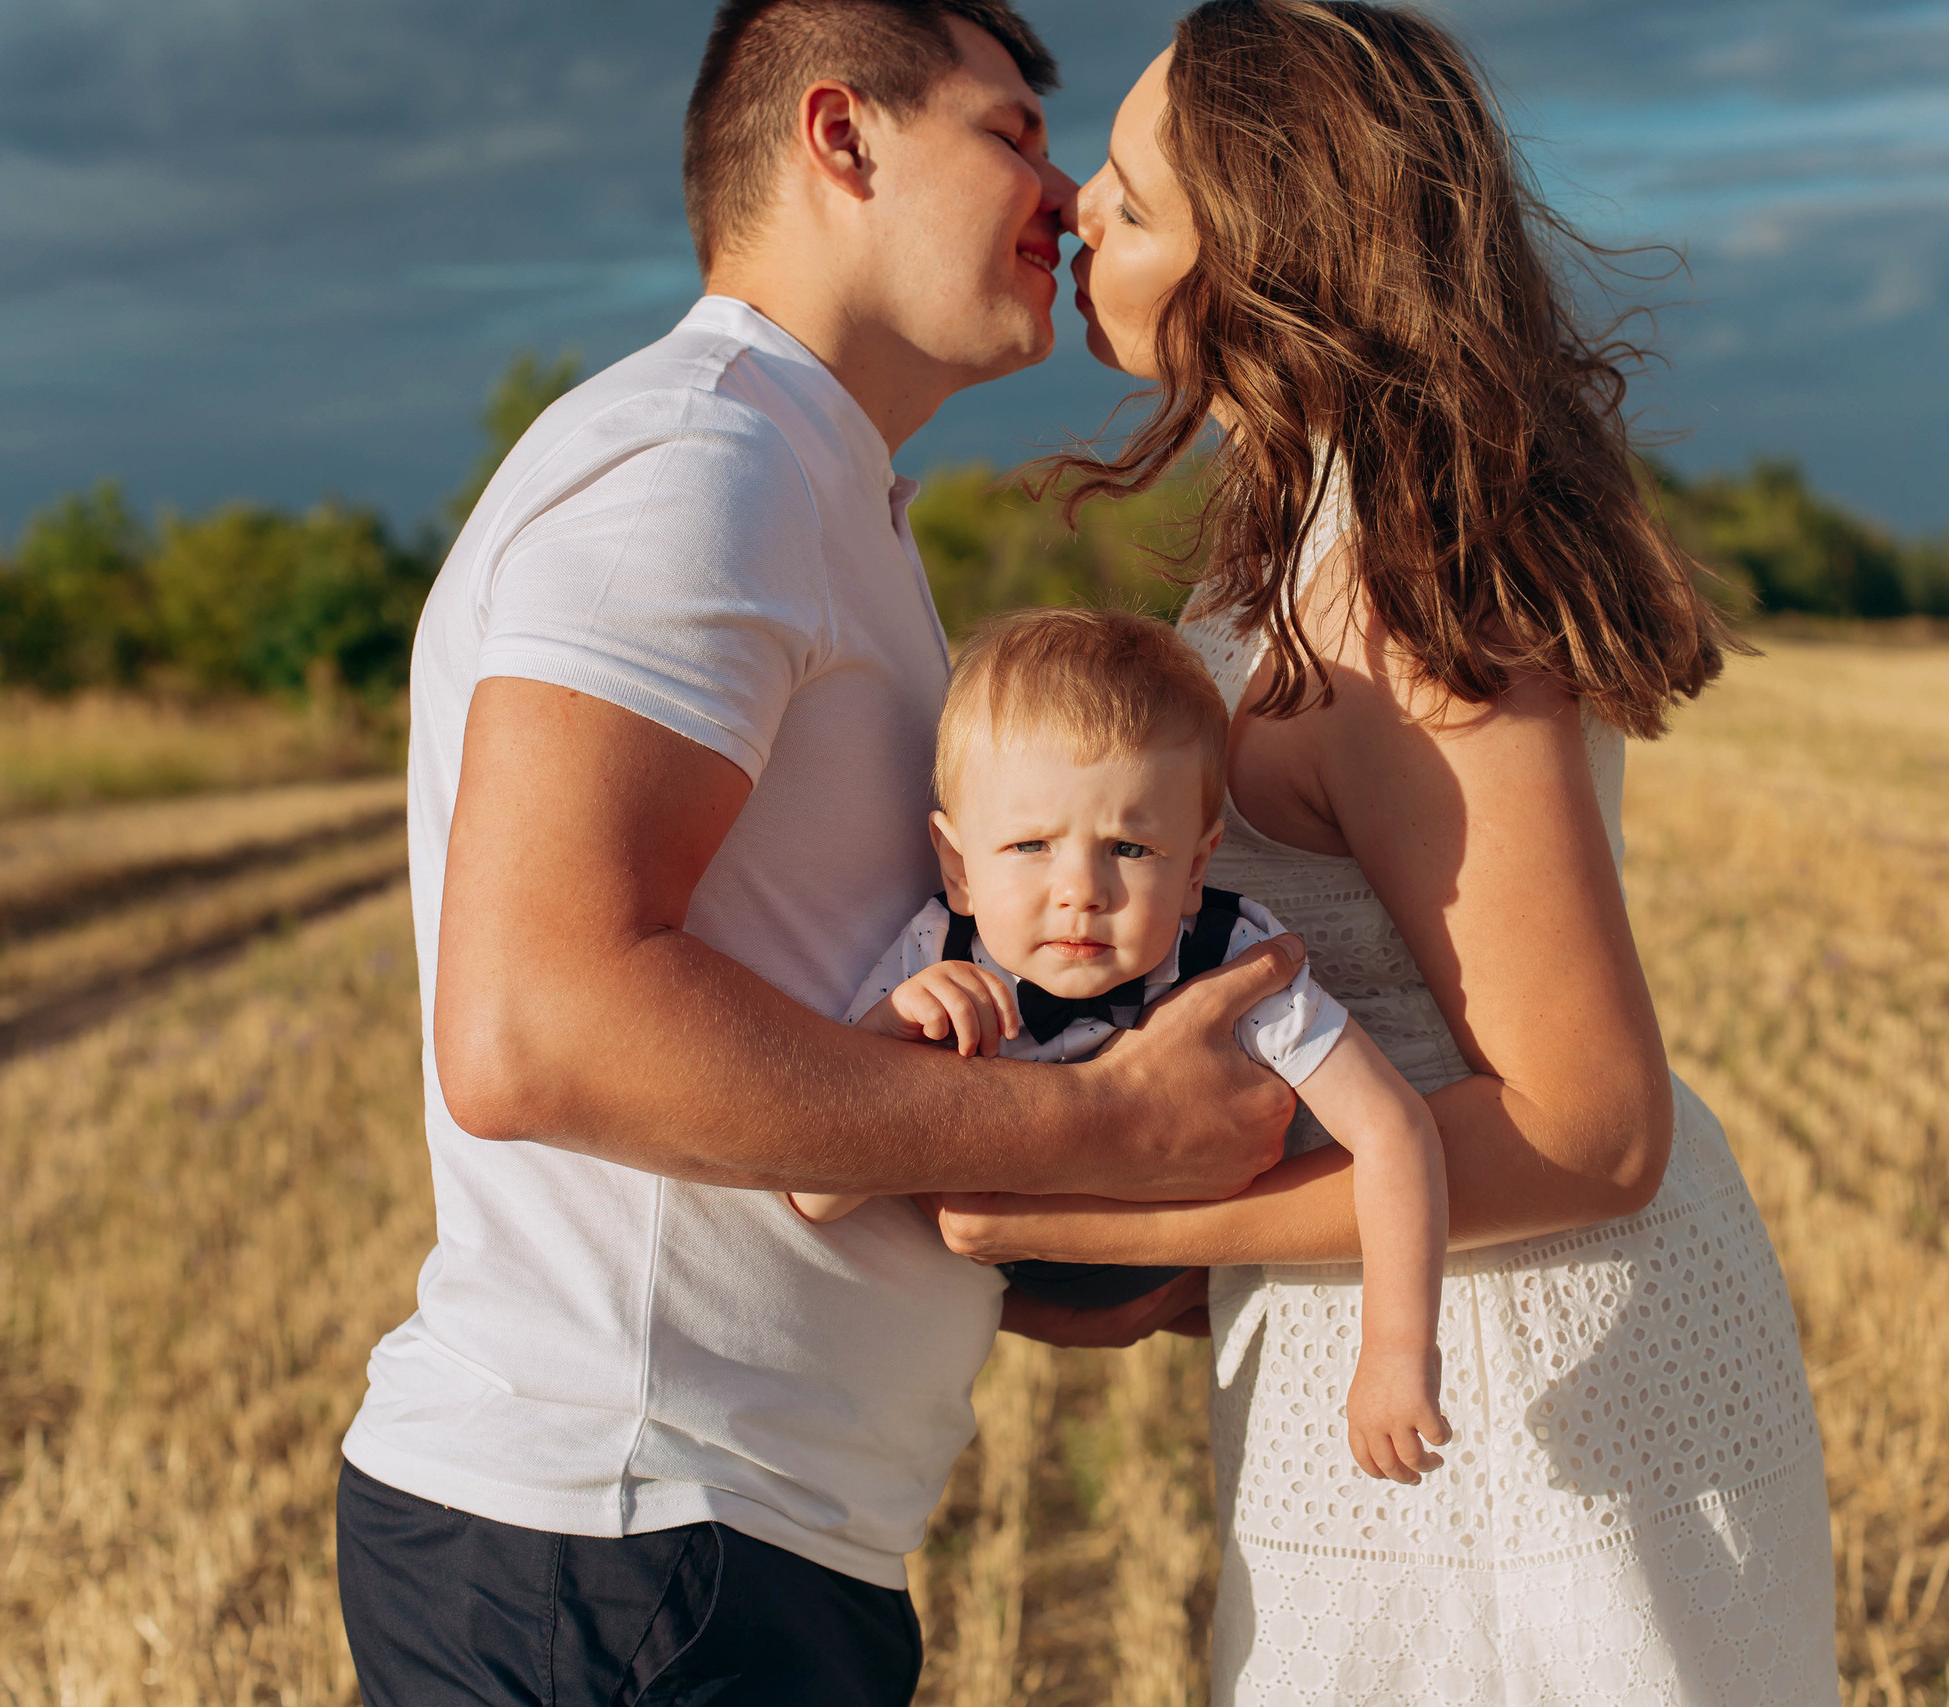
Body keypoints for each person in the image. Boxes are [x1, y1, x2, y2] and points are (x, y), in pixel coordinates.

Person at [332, 5, 1307, 1704]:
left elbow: (815, 1022)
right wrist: (1097, 1125)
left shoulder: (803, 483)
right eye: (1011, 132)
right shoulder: (698, 467)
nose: (1065, 193)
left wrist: (1093, 1231)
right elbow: (536, 1027)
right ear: (842, 141)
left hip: (717, 1547)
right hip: (626, 1539)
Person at [935, 2, 1842, 1700]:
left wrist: (1116, 1214)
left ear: (1260, 255)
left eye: (1128, 202)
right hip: (1415, 1346)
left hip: (1527, 1399)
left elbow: (1592, 1126)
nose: (1075, 217)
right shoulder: (1298, 543)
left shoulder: (1399, 596)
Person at [791, 606, 1453, 1481]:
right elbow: (814, 1194)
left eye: (1130, 847)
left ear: (1195, 868)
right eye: (1029, 844)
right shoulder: (937, 958)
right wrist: (889, 1030)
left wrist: (1398, 1348)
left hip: (1169, 1271)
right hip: (1004, 1290)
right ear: (956, 865)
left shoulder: (1226, 963)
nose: (1081, 890)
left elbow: (1394, 1130)